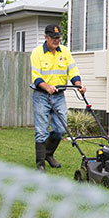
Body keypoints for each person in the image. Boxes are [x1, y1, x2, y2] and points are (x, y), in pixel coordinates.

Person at [30, 25, 86, 172]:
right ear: (46, 37)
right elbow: (36, 77)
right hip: (41, 95)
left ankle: (48, 154)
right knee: (42, 131)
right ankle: (40, 163)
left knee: (61, 130)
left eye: (58, 38)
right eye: (53, 38)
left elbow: (72, 70)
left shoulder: (65, 52)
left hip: (59, 95)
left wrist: (79, 85)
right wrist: (47, 87)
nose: (56, 40)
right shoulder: (37, 53)